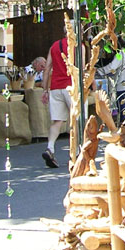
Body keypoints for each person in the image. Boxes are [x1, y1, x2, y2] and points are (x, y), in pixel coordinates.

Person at [41, 35, 73, 169]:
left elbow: (47, 68)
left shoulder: (54, 46)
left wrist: (45, 90)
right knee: (77, 121)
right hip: (71, 87)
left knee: (57, 122)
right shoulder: (78, 45)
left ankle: (50, 148)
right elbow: (82, 68)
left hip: (55, 87)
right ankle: (76, 153)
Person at [96, 40, 125, 124]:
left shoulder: (121, 54)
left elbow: (112, 67)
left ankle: (124, 125)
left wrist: (98, 70)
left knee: (122, 107)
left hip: (123, 84)